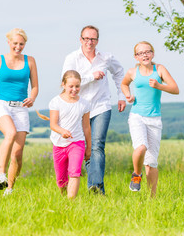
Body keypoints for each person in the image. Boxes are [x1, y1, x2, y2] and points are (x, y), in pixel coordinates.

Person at [62, 25, 126, 194]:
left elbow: (119, 73)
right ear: (80, 39)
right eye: (86, 38)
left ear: (98, 40)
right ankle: (99, 191)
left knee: (97, 145)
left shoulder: (106, 57)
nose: (89, 42)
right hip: (79, 108)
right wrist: (92, 76)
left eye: (93, 39)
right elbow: (67, 82)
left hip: (101, 106)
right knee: (85, 148)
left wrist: (121, 95)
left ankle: (95, 185)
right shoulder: (72, 58)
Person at [0, 28, 38, 196]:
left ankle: (9, 189)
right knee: (10, 133)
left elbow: (35, 87)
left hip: (20, 107)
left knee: (18, 154)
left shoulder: (30, 61)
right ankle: (1, 175)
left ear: (25, 44)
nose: (18, 47)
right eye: (15, 43)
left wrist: (32, 98)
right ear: (9, 43)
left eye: (21, 44)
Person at [121, 41, 179, 196]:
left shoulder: (159, 69)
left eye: (147, 52)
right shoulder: (133, 72)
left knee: (151, 162)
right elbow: (124, 84)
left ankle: (152, 198)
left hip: (154, 119)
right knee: (141, 147)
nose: (144, 55)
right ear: (136, 57)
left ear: (152, 53)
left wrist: (160, 86)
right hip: (137, 116)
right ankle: (136, 175)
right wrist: (127, 95)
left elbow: (175, 89)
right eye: (140, 53)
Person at [49, 70, 91, 199]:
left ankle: (70, 202)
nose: (74, 89)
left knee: (74, 173)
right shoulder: (56, 102)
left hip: (77, 142)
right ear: (63, 85)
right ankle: (64, 197)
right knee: (61, 180)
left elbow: (86, 126)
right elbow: (53, 124)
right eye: (71, 86)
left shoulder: (84, 104)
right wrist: (63, 132)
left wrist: (88, 147)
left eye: (77, 86)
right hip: (59, 144)